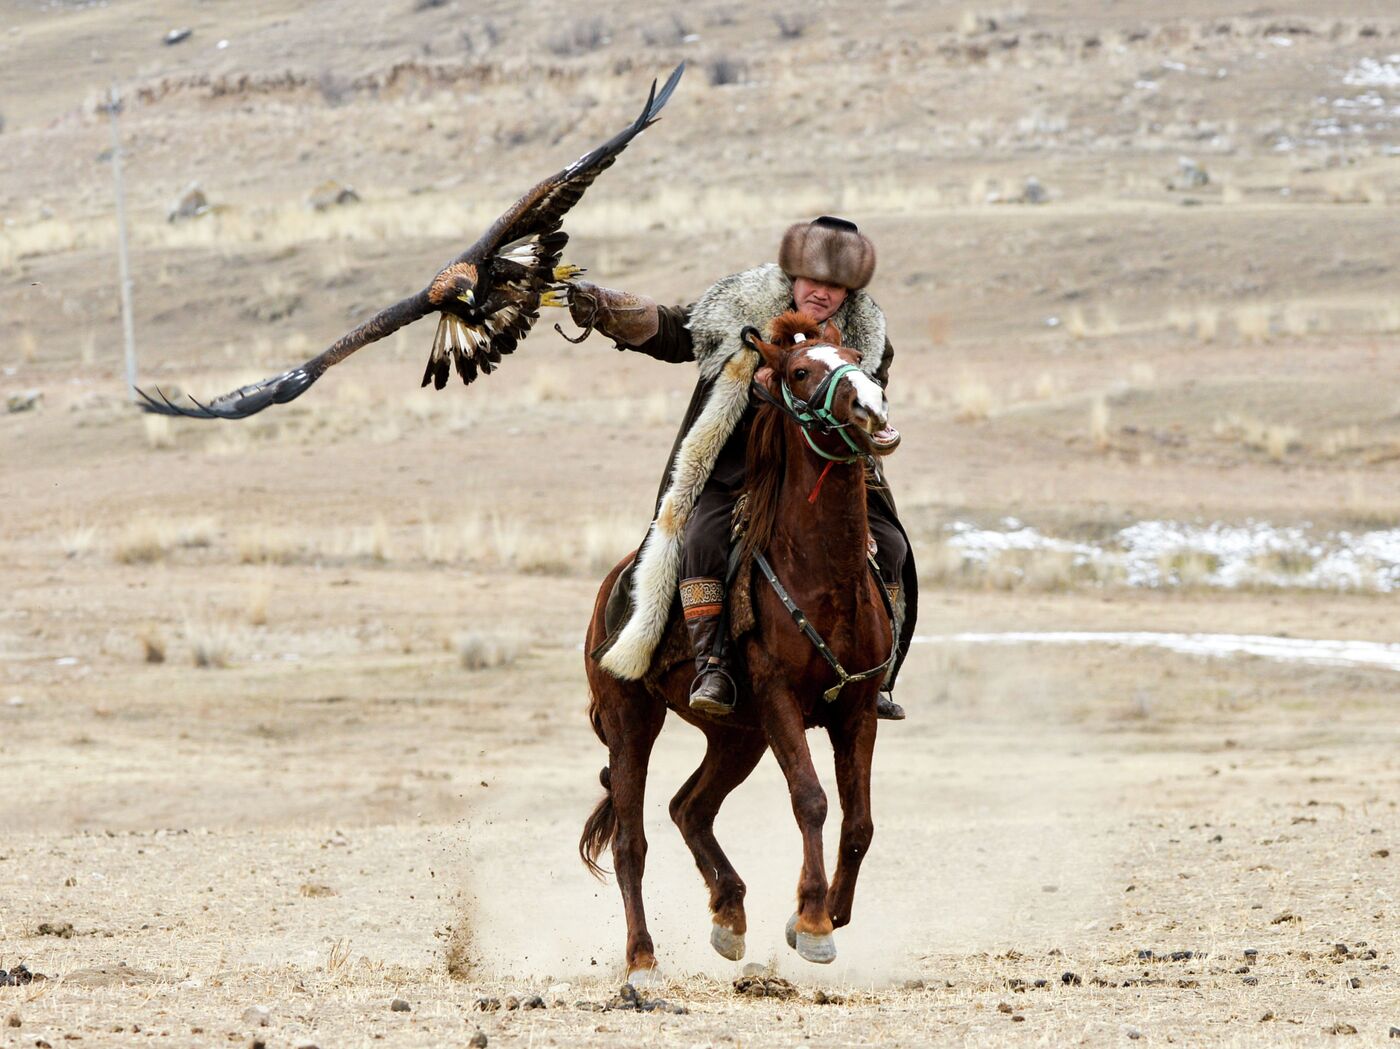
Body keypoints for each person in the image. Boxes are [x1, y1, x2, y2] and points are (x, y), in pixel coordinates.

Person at [569, 216, 915, 720]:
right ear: (793, 277)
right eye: (814, 280)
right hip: (738, 465)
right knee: (701, 539)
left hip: (826, 471)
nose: (822, 293)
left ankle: (874, 676)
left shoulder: (866, 337)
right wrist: (610, 308)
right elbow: (674, 333)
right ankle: (712, 663)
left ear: (850, 291)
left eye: (836, 286)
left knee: (894, 545)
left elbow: (866, 405)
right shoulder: (740, 308)